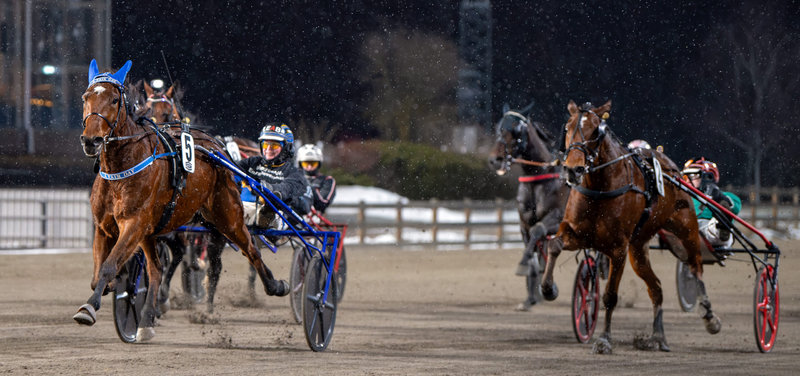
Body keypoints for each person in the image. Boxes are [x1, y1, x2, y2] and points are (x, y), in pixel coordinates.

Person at [237, 123, 313, 227]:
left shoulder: (294, 172)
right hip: (242, 208)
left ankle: (265, 216)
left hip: (276, 214)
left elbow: (287, 188)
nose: (268, 149)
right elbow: (230, 172)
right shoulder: (251, 163)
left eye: (274, 145)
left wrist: (267, 188)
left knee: (272, 209)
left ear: (286, 148)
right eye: (265, 144)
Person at [681, 157, 742, 247]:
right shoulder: (684, 197)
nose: (687, 181)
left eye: (692, 176)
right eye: (685, 177)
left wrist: (717, 196)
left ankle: (722, 229)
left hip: (710, 230)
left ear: (708, 176)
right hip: (687, 229)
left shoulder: (725, 195)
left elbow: (735, 206)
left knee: (722, 209)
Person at [296, 144, 337, 214]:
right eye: (305, 164)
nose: (309, 167)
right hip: (292, 217)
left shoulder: (327, 180)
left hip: (314, 219)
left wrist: (310, 188)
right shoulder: (293, 178)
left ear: (319, 163)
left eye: (313, 163)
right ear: (300, 164)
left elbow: (323, 204)